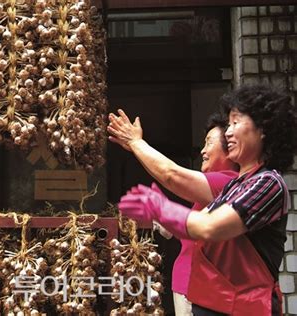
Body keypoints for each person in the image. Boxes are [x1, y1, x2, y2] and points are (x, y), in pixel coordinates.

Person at [119, 84, 296, 315]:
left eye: (235, 122)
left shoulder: (268, 183)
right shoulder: (234, 186)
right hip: (215, 304)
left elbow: (208, 227)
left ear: (263, 129)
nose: (229, 132)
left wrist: (160, 206)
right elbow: (193, 224)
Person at [108, 110, 238, 315]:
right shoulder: (213, 191)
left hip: (199, 290)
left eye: (209, 143)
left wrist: (136, 143)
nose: (203, 151)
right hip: (189, 285)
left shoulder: (227, 182)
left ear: (231, 148)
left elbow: (171, 174)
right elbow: (196, 232)